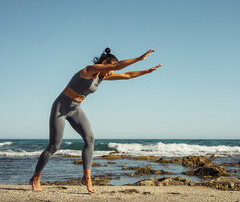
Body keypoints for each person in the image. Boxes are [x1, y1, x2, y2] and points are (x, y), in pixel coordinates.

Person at [29, 48, 162, 193]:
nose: (112, 72)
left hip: (75, 109)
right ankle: (36, 177)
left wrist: (146, 71)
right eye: (110, 68)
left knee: (90, 138)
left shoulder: (102, 77)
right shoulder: (89, 70)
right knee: (54, 146)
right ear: (104, 63)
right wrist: (138, 58)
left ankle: (86, 177)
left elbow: (127, 75)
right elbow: (117, 68)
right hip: (61, 108)